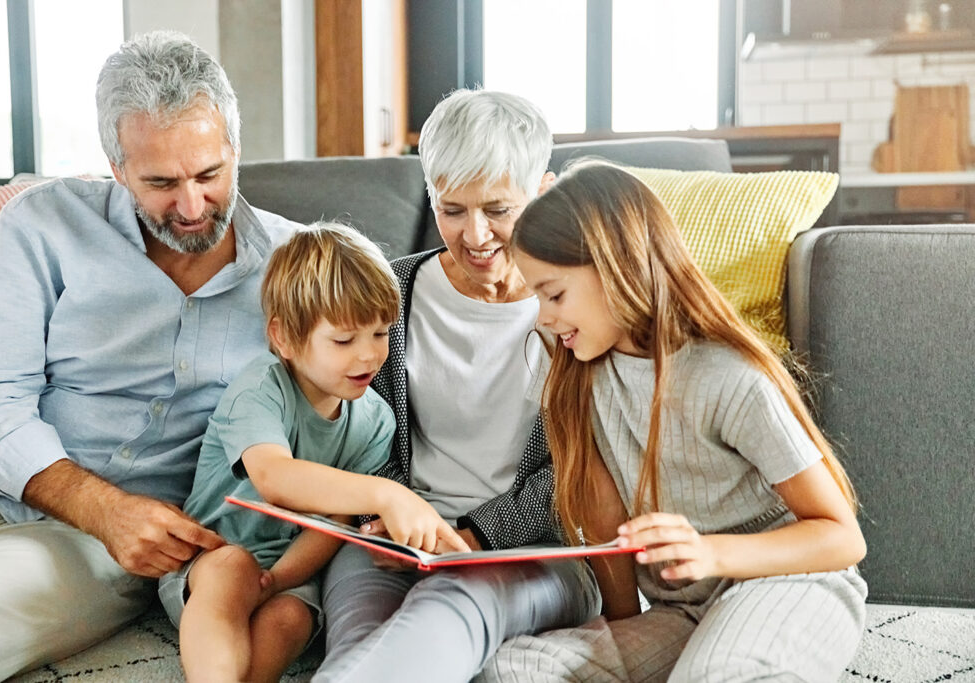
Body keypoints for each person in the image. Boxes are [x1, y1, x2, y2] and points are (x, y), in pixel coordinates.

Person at [0, 31, 301, 680]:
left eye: (209, 174)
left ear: (236, 149)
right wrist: (100, 504)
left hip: (94, 545)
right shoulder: (42, 225)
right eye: (161, 182)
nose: (192, 206)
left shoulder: (299, 264)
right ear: (115, 169)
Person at [478, 160, 869, 683]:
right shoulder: (571, 363)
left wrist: (709, 553)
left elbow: (842, 538)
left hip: (788, 583)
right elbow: (601, 509)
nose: (543, 317)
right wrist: (626, 641)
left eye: (554, 294)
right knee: (514, 669)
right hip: (682, 611)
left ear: (617, 267)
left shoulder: (727, 376)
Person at [313, 89, 602, 683]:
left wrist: (474, 534)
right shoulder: (388, 295)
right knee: (357, 636)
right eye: (452, 209)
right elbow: (360, 434)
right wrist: (387, 517)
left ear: (542, 193)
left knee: (446, 610)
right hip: (397, 542)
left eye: (498, 209)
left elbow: (585, 464)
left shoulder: (579, 307)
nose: (475, 235)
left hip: (535, 550)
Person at [163, 222, 470, 683]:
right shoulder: (261, 389)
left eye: (381, 333)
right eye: (344, 340)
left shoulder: (375, 419)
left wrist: (280, 579)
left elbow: (335, 526)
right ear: (284, 338)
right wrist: (387, 495)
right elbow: (274, 477)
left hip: (290, 569)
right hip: (212, 557)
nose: (368, 356)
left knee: (292, 618)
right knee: (234, 568)